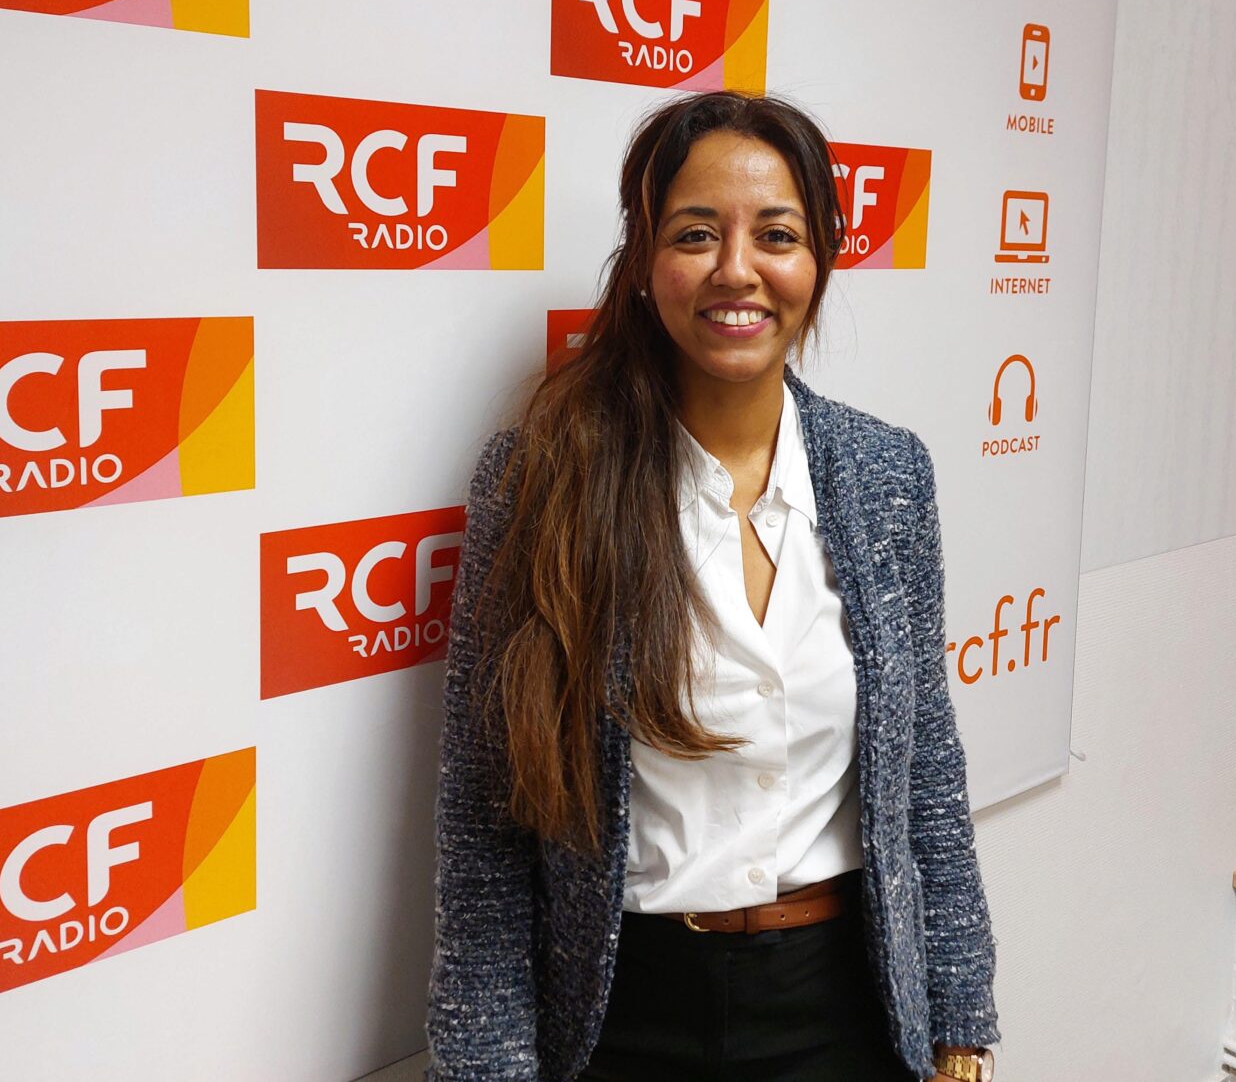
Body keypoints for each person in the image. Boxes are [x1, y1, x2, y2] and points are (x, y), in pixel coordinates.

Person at [424, 90, 1001, 1082]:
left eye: (776, 234)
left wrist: (957, 1020)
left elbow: (926, 771)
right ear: (645, 264)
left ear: (819, 259)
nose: (737, 269)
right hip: (620, 1017)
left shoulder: (886, 472)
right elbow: (485, 818)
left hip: (846, 1008)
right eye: (696, 233)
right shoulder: (539, 481)